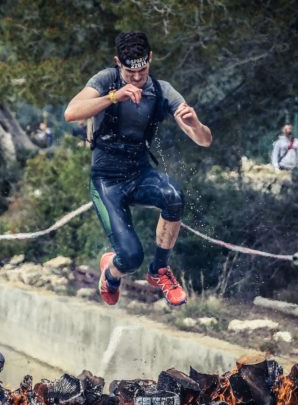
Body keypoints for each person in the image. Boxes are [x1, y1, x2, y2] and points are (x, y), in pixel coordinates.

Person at [64, 31, 212, 306]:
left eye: (142, 70)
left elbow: (204, 141)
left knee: (174, 196)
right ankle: (110, 273)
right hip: (107, 181)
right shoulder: (106, 80)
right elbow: (71, 112)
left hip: (139, 173)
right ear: (118, 62)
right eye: (130, 71)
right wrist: (113, 97)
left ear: (150, 59)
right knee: (130, 258)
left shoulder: (161, 90)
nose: (136, 77)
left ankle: (159, 270)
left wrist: (195, 124)